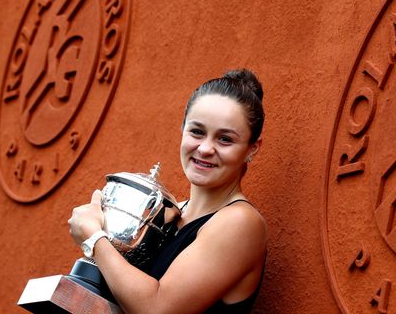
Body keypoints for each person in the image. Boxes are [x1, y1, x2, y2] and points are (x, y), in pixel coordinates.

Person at [68, 69, 268, 314]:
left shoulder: (240, 222)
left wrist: (93, 237)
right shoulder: (171, 212)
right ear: (182, 130)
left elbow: (157, 309)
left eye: (225, 139)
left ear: (252, 149)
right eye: (197, 132)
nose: (205, 148)